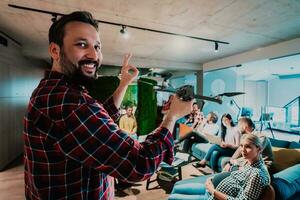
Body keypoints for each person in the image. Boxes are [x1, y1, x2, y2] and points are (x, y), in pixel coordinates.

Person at [23, 11, 193, 200]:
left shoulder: (54, 91)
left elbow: (97, 121)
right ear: (55, 50)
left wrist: (124, 83)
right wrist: (172, 117)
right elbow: (140, 164)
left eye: (97, 46)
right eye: (81, 44)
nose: (94, 54)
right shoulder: (69, 102)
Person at [169, 134, 271, 200]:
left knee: (173, 197)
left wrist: (213, 191)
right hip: (210, 189)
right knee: (176, 187)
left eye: (248, 146)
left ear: (259, 149)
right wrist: (213, 178)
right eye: (241, 146)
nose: (242, 150)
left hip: (213, 196)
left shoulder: (257, 174)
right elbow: (235, 171)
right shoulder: (248, 161)